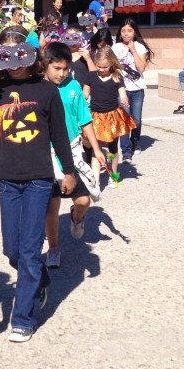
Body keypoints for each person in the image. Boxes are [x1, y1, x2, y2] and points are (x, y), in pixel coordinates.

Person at [0, 30, 77, 343]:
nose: (13, 63)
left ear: (31, 54)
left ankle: (23, 319)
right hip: (7, 179)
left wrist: (69, 171)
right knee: (12, 250)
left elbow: (59, 135)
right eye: (4, 55)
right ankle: (40, 279)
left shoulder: (46, 91)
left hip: (38, 179)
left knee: (31, 250)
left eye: (19, 54)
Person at [41, 42, 107, 268]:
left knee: (83, 200)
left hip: (72, 151)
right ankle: (54, 248)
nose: (61, 74)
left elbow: (84, 119)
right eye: (56, 68)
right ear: (45, 65)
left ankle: (77, 218)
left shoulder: (74, 87)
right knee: (52, 204)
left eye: (65, 68)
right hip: (46, 153)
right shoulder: (38, 87)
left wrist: (96, 149)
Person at [83, 46, 137, 187]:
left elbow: (122, 91)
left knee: (113, 148)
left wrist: (124, 98)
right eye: (99, 66)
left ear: (112, 63)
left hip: (113, 117)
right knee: (97, 148)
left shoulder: (116, 76)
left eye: (105, 67)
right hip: (96, 116)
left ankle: (114, 175)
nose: (101, 69)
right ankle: (96, 180)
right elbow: (85, 95)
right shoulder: (91, 77)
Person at [112, 19, 153, 160]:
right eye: (123, 31)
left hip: (137, 89)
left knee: (136, 120)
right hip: (121, 89)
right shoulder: (115, 47)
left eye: (129, 31)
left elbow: (141, 68)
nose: (126, 34)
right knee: (124, 119)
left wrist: (133, 50)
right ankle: (126, 152)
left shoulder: (140, 47)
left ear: (134, 32)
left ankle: (135, 142)